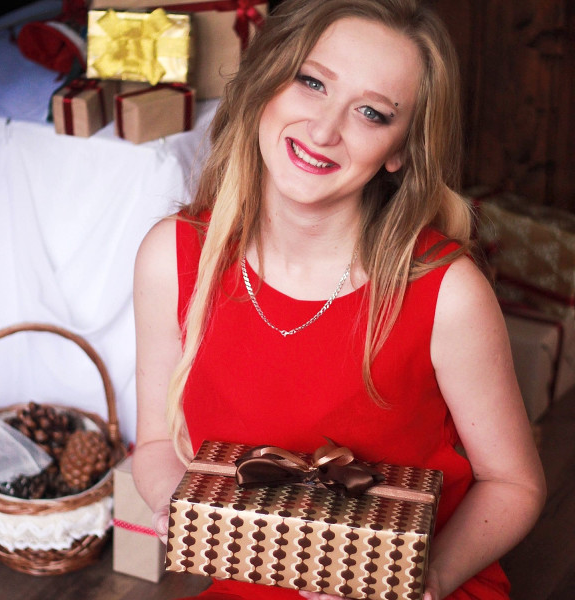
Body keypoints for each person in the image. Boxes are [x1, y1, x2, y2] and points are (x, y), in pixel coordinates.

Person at [132, 1, 546, 599]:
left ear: (400, 150)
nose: (325, 130)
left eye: (372, 113)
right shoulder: (171, 257)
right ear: (267, 84)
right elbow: (153, 446)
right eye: (312, 82)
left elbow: (514, 484)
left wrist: (422, 582)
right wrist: (183, 509)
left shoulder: (447, 293)